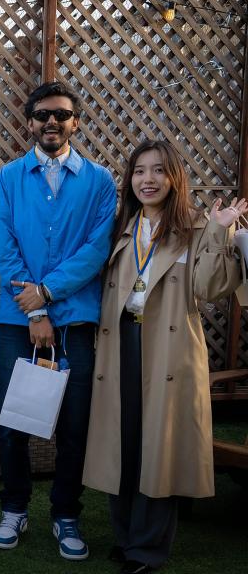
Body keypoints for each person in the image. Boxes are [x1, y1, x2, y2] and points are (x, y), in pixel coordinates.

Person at [83, 140, 246, 574]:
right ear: (130, 178)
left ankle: (148, 549)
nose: (148, 180)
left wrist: (221, 230)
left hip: (167, 354)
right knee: (124, 444)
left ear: (175, 178)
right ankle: (125, 537)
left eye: (158, 171)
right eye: (139, 171)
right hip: (120, 346)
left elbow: (211, 288)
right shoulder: (120, 226)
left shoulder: (193, 228)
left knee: (158, 449)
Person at [0, 82, 117, 560]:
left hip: (77, 320)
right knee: (12, 420)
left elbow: (96, 251)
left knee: (74, 424)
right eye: (42, 114)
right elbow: (4, 247)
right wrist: (36, 307)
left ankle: (66, 514)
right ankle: (15, 507)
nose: (51, 122)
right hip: (16, 319)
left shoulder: (100, 181)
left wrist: (48, 293)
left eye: (61, 115)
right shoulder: (8, 178)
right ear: (29, 122)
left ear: (75, 122)